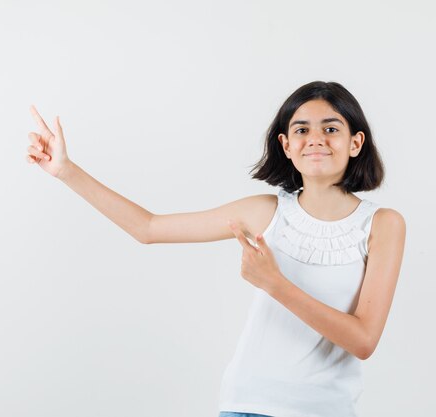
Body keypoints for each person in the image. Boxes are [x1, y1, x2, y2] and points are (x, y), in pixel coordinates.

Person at [25, 80, 406, 417]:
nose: (316, 139)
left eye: (331, 128)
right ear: (286, 146)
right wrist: (65, 171)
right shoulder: (264, 213)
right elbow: (148, 228)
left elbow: (363, 340)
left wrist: (274, 283)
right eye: (301, 129)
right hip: (249, 406)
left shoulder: (382, 224)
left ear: (356, 142)